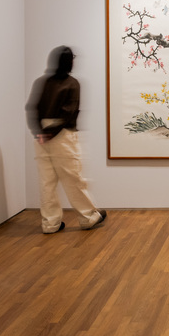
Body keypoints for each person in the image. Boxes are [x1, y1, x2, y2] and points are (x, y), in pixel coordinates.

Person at [26, 46, 107, 233]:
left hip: (41, 137)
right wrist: (51, 133)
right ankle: (88, 217)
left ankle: (50, 223)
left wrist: (38, 132)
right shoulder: (72, 83)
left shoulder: (42, 82)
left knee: (47, 182)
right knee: (73, 178)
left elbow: (32, 108)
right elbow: (69, 113)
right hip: (62, 136)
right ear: (70, 62)